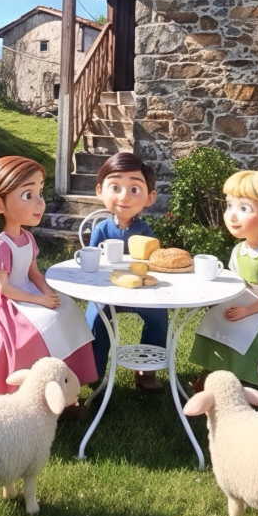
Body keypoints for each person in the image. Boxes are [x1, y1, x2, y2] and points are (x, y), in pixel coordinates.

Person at [0, 155, 96, 414]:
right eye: (28, 195)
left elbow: (34, 273)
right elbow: (4, 287)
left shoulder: (27, 238)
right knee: (38, 330)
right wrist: (39, 300)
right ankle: (34, 399)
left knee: (68, 312)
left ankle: (66, 390)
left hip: (26, 292)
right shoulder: (0, 246)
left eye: (40, 192)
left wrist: (47, 291)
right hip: (6, 302)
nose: (40, 202)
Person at [188, 169, 258, 390]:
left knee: (247, 334)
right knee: (214, 320)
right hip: (242, 299)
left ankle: (246, 381)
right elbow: (236, 278)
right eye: (229, 206)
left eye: (244, 208)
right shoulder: (239, 250)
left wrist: (248, 310)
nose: (232, 215)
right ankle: (213, 373)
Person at [84, 152, 169, 391]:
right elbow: (91, 259)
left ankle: (146, 370)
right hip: (106, 289)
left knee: (157, 316)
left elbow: (151, 260)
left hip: (139, 292)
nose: (124, 196)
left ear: (149, 197)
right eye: (115, 187)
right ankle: (94, 371)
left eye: (134, 189)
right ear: (100, 190)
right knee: (95, 316)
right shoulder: (101, 229)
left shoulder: (144, 230)